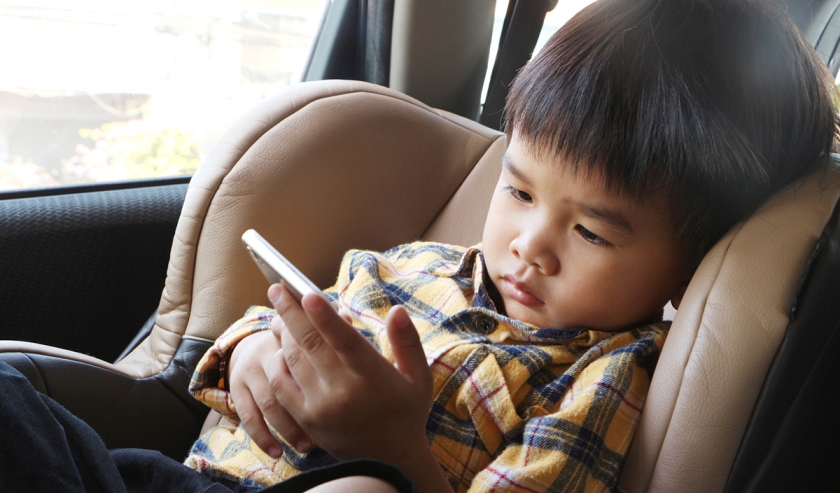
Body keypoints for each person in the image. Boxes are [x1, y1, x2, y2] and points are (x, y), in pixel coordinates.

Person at [183, 0, 839, 492]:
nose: (530, 247)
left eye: (591, 232)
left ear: (689, 270)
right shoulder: (413, 262)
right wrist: (254, 352)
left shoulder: (601, 380)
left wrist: (390, 449)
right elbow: (279, 328)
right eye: (519, 192)